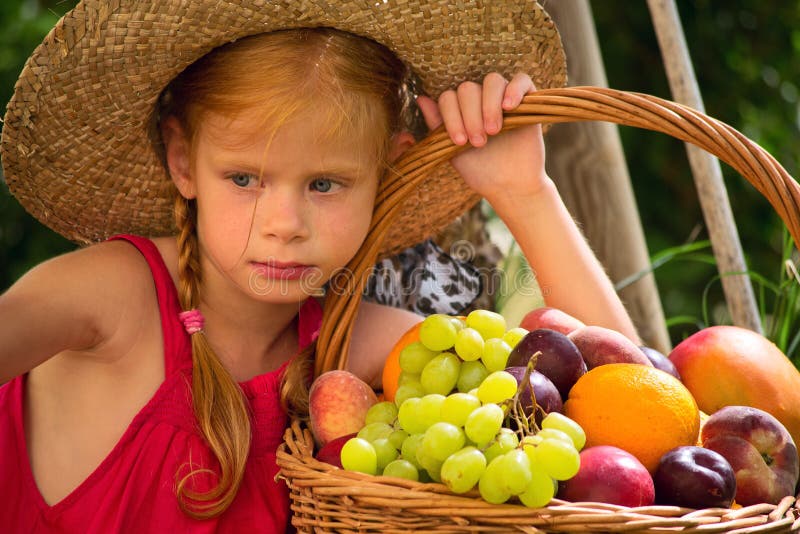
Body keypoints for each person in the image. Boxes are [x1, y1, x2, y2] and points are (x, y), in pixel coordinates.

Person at [0, 0, 639, 531]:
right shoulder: (111, 296)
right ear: (183, 162)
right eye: (244, 178)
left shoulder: (354, 343)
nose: (285, 223)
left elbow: (628, 399)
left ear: (386, 174)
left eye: (325, 184)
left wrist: (523, 193)